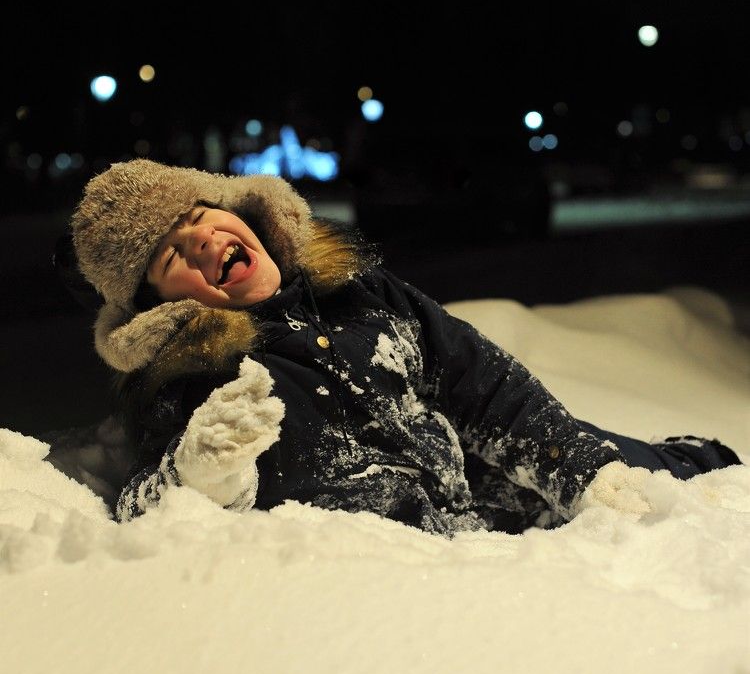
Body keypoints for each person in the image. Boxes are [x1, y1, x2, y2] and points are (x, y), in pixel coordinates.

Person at [67, 158, 741, 535]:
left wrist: (586, 468)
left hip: (479, 496)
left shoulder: (363, 295)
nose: (201, 241)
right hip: (404, 571)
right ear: (167, 305)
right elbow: (143, 510)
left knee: (654, 473)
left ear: (234, 210)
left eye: (196, 217)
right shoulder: (197, 382)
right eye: (171, 256)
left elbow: (485, 385)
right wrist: (200, 477)